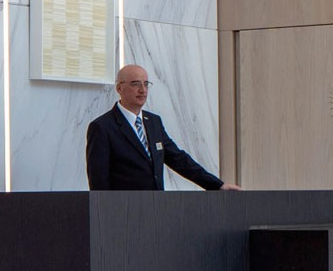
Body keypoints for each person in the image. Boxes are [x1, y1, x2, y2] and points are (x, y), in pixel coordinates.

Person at [86, 64, 242, 192]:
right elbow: (98, 182)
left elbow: (178, 159)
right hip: (124, 212)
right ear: (119, 88)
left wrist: (217, 185)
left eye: (146, 84)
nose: (143, 90)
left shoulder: (153, 122)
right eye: (135, 84)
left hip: (157, 209)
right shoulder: (102, 127)